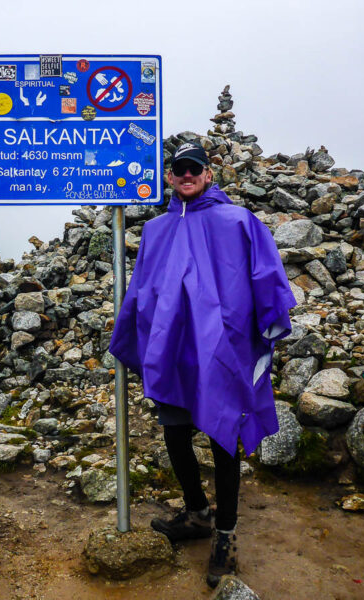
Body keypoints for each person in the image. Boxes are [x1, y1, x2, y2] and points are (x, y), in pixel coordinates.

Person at [109, 141, 296, 587]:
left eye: (194, 169)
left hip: (222, 351)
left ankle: (226, 535)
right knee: (175, 431)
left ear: (208, 174)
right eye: (179, 170)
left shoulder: (238, 221)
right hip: (173, 349)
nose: (186, 175)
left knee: (223, 436)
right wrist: (132, 330)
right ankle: (196, 512)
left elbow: (266, 274)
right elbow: (141, 287)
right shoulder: (156, 229)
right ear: (170, 178)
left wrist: (270, 325)